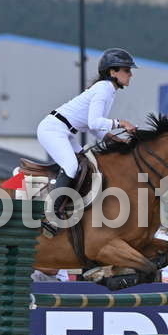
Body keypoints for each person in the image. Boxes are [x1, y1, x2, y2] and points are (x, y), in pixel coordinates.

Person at [36, 48, 138, 213]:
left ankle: (71, 206)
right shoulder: (104, 89)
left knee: (88, 165)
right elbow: (95, 122)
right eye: (127, 70)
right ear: (112, 72)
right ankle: (51, 213)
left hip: (64, 131)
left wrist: (114, 138)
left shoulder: (109, 90)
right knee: (71, 166)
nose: (130, 74)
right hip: (52, 130)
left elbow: (95, 127)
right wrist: (121, 123)